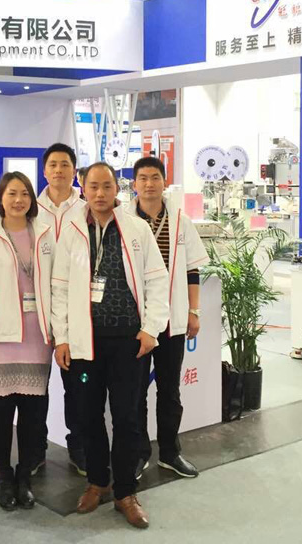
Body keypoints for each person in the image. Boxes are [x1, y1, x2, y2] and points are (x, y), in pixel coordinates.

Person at [52, 162, 170, 529]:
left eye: (107, 186)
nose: (100, 193)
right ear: (83, 188)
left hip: (128, 343)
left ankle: (125, 492)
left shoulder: (136, 229)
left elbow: (157, 281)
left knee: (127, 417)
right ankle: (97, 482)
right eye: (93, 186)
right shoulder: (71, 229)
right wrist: (62, 337)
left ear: (117, 188)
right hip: (85, 342)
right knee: (88, 416)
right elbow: (59, 288)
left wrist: (151, 329)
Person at [0, 172, 54, 511]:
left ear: (32, 199)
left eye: (24, 194)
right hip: (1, 336)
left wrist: (59, 333)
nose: (18, 200)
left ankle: (24, 477)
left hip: (38, 336)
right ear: (0, 198)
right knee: (1, 414)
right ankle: (5, 476)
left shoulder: (46, 234)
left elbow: (58, 285)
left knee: (33, 415)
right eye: (12, 194)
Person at [127, 156, 208, 480]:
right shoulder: (123, 220)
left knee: (170, 391)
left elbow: (192, 270)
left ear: (164, 182)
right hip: (136, 323)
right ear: (134, 184)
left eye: (155, 178)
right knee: (135, 392)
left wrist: (193, 311)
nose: (149, 184)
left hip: (172, 320)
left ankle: (170, 453)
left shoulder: (180, 221)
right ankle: (138, 453)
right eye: (143, 178)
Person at [36, 143, 88, 475]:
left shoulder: (85, 208)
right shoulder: (29, 207)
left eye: (64, 164)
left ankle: (78, 447)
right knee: (34, 387)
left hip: (75, 308)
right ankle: (35, 449)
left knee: (76, 387)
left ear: (74, 171)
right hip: (36, 308)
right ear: (44, 171)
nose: (58, 170)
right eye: (53, 164)